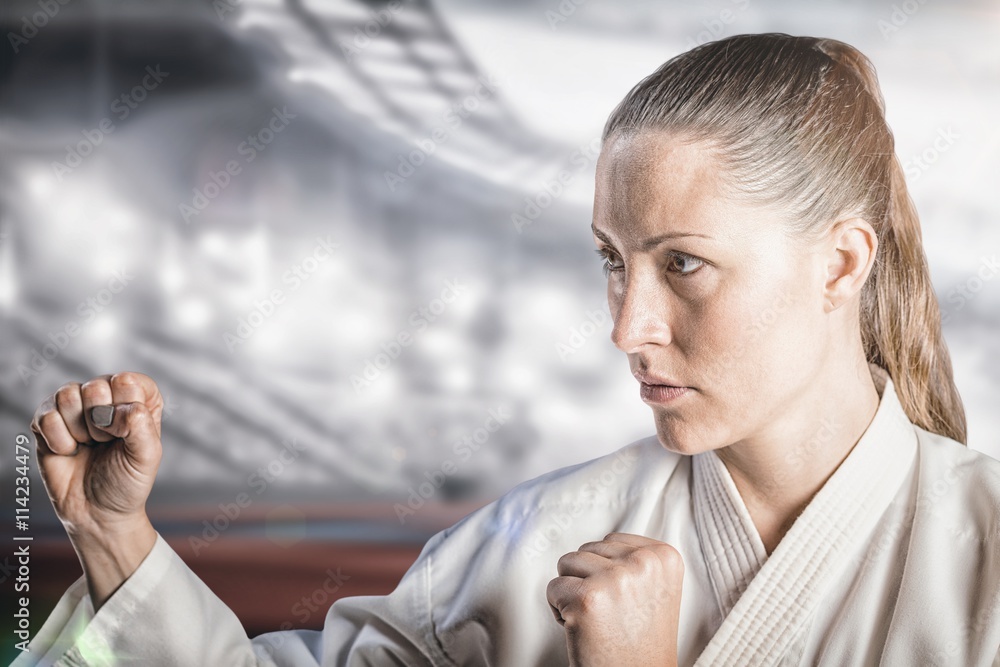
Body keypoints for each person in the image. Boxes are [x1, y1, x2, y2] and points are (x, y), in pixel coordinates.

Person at [16, 32, 1000, 667]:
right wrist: (116, 537)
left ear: (838, 263)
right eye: (613, 262)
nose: (626, 327)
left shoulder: (984, 553)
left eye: (685, 265)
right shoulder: (528, 542)